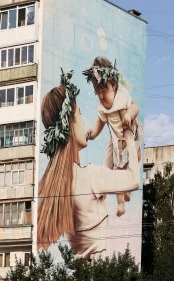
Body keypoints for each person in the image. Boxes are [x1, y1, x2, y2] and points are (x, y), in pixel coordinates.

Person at [36, 69, 140, 256]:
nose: (84, 122)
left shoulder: (55, 184)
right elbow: (133, 179)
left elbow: (106, 173)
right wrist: (129, 136)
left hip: (79, 275)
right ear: (69, 126)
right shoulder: (90, 177)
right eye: (80, 115)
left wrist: (111, 136)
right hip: (99, 277)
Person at [83, 57, 142, 217]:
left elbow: (135, 106)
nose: (101, 97)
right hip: (116, 137)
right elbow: (99, 123)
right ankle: (119, 199)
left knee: (132, 160)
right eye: (98, 93)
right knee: (115, 166)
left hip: (129, 132)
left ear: (114, 85)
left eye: (104, 91)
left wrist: (129, 115)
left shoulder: (122, 96)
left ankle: (124, 195)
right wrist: (93, 133)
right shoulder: (102, 107)